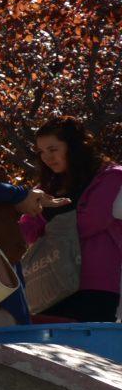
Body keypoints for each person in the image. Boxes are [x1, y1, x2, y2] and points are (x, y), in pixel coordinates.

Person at [24, 117, 122, 321]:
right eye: (41, 152)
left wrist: (46, 214)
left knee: (90, 348)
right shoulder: (48, 187)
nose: (47, 158)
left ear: (74, 146)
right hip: (51, 281)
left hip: (93, 282)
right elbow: (26, 229)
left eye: (53, 149)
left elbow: (92, 221)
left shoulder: (111, 176)